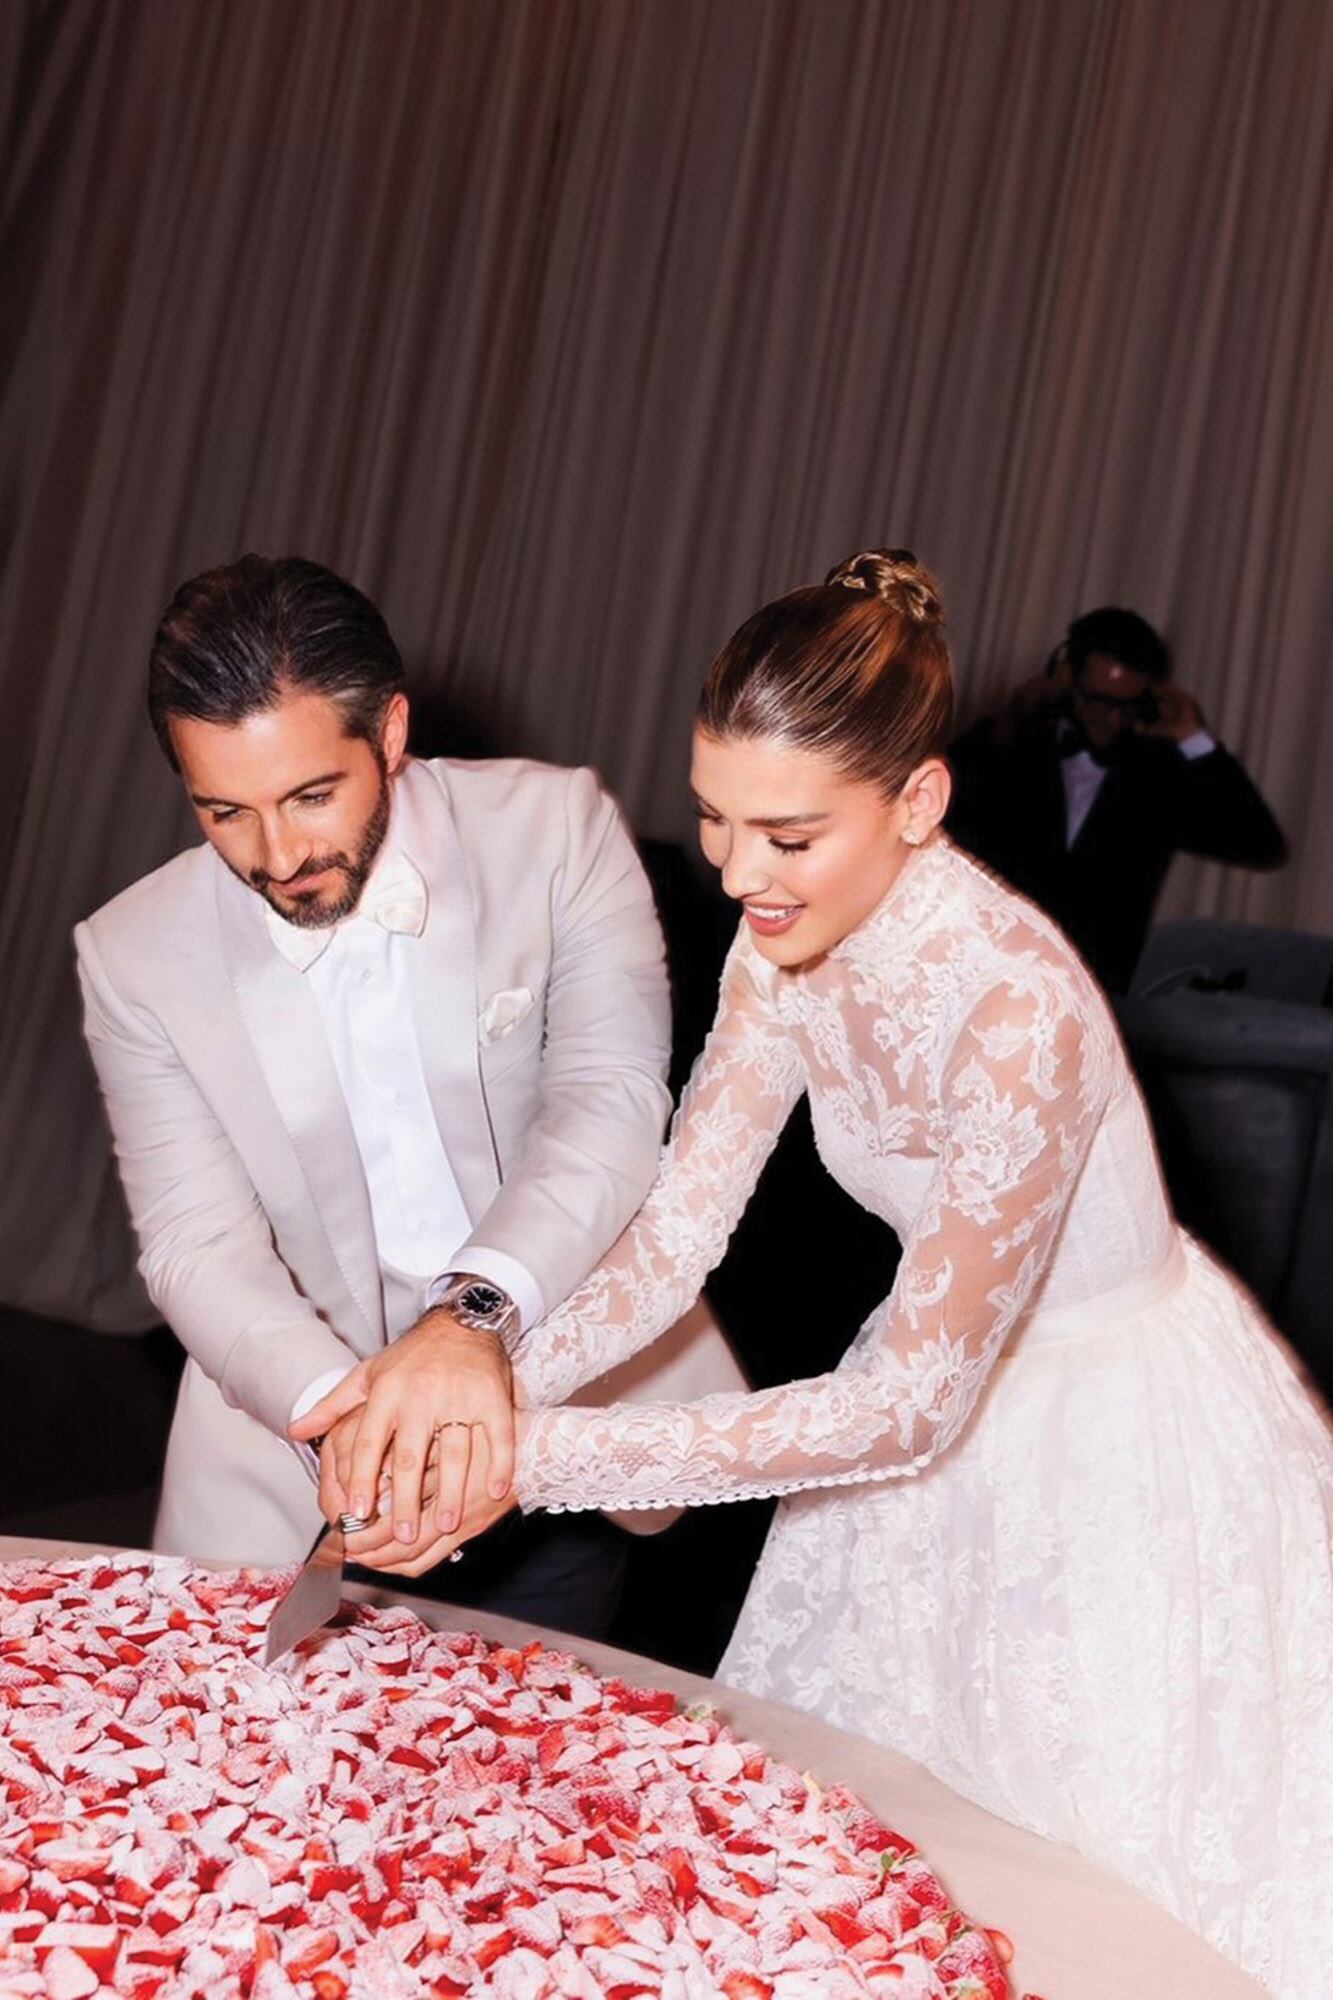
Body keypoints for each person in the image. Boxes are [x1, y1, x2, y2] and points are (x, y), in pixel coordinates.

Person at [308, 552, 1333, 1998]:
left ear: (916, 805)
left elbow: (911, 1410)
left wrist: (521, 1461)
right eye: (715, 820)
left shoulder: (1015, 1008)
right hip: (917, 1393)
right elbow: (674, 1236)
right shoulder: (777, 946)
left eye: (786, 837)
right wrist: (472, 1383)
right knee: (847, 1902)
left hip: (1113, 1450)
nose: (737, 874)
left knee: (1086, 1913)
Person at [74, 553, 740, 1634]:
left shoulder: (556, 830)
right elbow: (195, 1240)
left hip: (563, 1412)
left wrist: (467, 1322)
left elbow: (607, 1103)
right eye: (224, 812)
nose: (278, 854)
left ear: (388, 734)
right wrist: (350, 1423)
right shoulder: (132, 954)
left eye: (310, 795)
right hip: (308, 1461)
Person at [945, 607, 1288, 990]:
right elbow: (939, 811)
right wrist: (1010, 719)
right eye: (1099, 701)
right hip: (979, 971)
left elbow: (1261, 844)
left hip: (1095, 992)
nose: (1113, 719)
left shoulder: (1159, 776)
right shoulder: (1011, 745)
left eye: (1127, 705)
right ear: (1066, 680)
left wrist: (1194, 737)